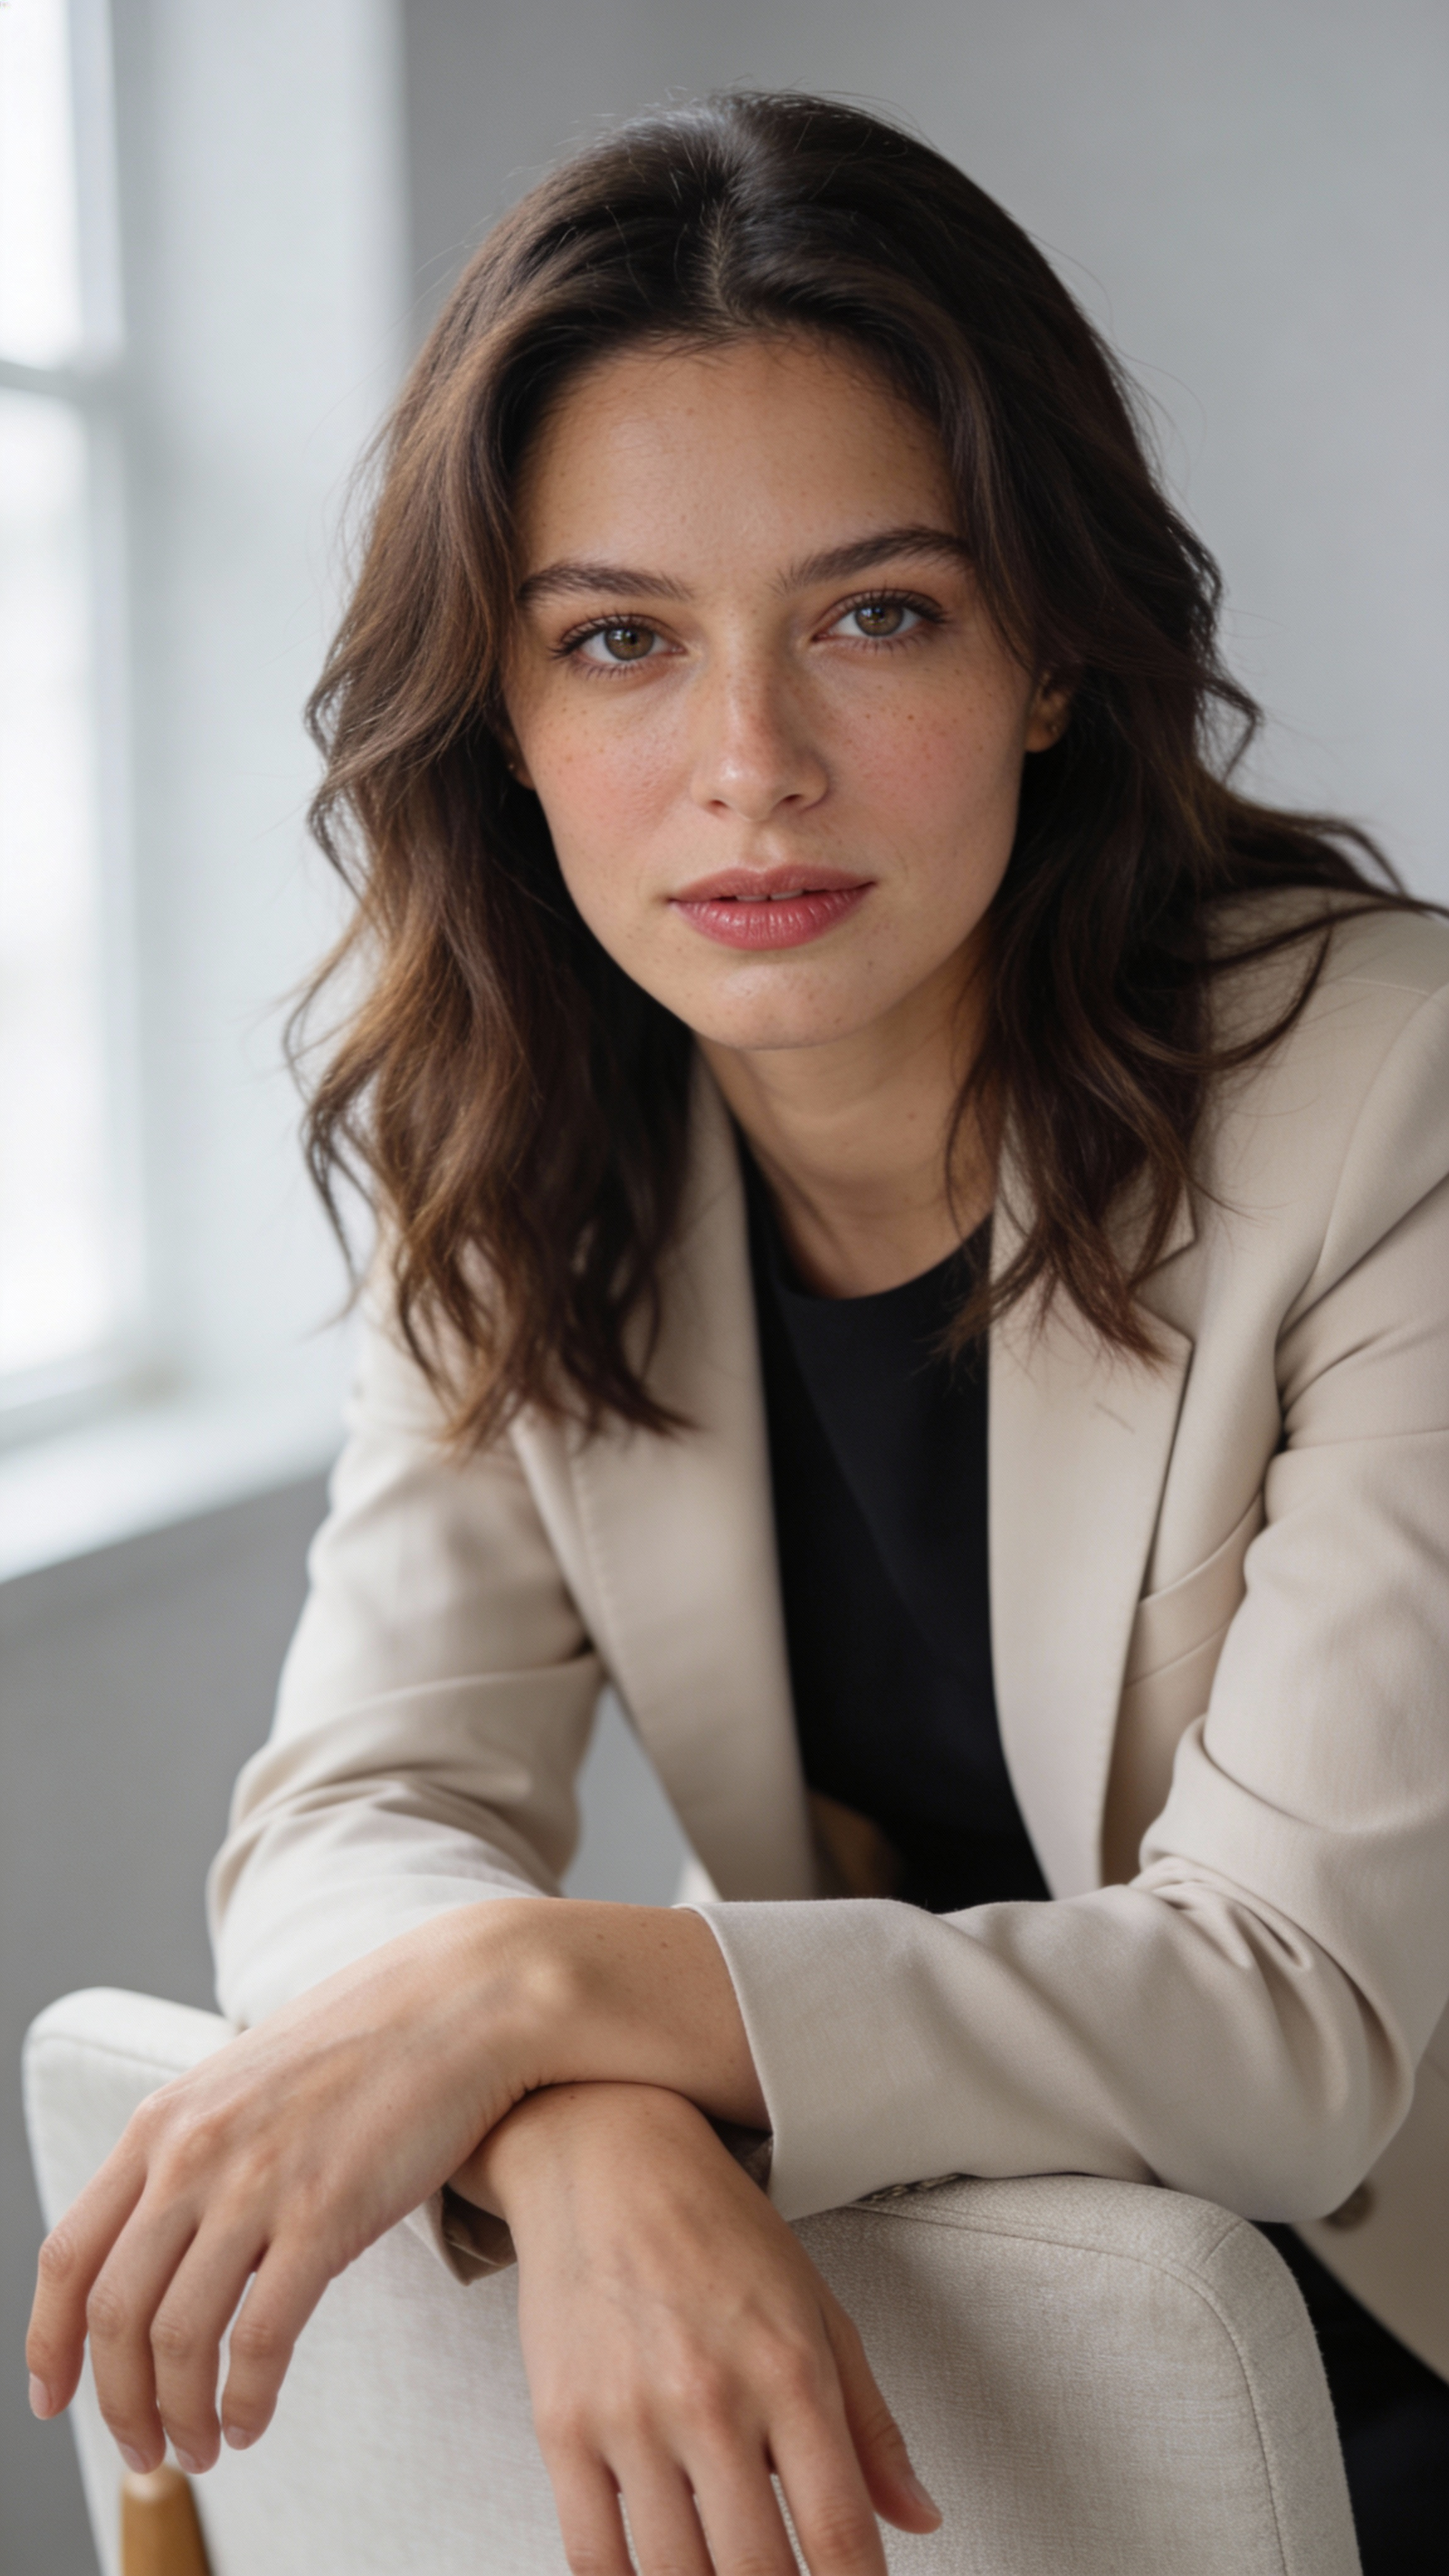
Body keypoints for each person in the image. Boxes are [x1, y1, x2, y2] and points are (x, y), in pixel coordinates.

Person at [28, 91, 1449, 2576]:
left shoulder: (1396, 1101)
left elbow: (1285, 2029)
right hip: (973, 2344)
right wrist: (572, 2113)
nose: (751, 766)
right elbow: (353, 1812)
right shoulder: (531, 1147)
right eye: (620, 642)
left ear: (1046, 658)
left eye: (875, 612)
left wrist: (528, 1997)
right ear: (501, 714)